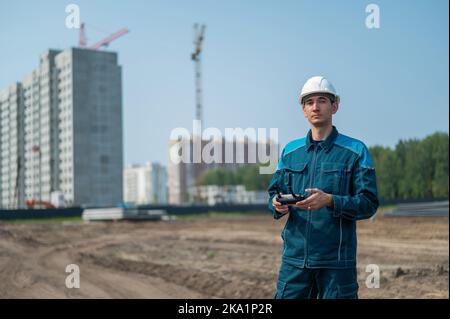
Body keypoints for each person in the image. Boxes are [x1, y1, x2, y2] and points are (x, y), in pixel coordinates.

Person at [267, 76, 379, 299]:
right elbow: (273, 192)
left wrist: (330, 200)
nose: (315, 107)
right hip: (295, 261)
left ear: (335, 105)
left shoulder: (355, 151)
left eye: (322, 101)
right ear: (303, 109)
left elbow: (368, 203)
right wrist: (276, 204)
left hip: (336, 263)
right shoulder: (290, 152)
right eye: (309, 102)